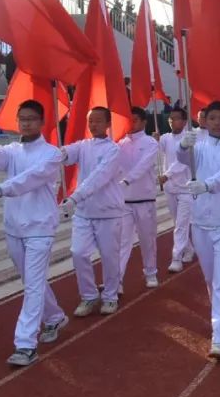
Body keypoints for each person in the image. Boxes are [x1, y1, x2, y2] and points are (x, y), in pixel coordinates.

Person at [0, 100, 69, 367]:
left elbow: (31, 178)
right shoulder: (13, 150)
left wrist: (1, 189)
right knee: (31, 281)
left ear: (42, 122)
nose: (26, 123)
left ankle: (25, 344)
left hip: (40, 227)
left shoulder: (52, 154)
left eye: (31, 119)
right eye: (22, 119)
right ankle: (55, 317)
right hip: (14, 227)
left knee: (33, 285)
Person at [177, 101, 220, 359]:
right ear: (205, 121)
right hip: (200, 223)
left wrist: (206, 185)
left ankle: (219, 337)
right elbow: (183, 159)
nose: (217, 123)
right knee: (210, 278)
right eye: (212, 118)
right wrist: (183, 146)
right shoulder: (199, 146)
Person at [61, 107, 126, 317]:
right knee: (78, 252)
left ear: (108, 124)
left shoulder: (113, 150)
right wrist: (55, 153)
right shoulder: (83, 146)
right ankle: (89, 295)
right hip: (84, 212)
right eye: (91, 121)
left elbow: (99, 177)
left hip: (108, 212)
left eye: (98, 121)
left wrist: (75, 197)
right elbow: (65, 154)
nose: (93, 125)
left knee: (109, 257)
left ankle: (110, 296)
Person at [118, 107, 160, 289]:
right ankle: (116, 279)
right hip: (124, 201)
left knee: (147, 240)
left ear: (144, 122)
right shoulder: (120, 143)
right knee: (122, 242)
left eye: (135, 120)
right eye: (129, 120)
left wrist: (127, 180)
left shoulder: (150, 143)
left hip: (144, 199)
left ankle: (151, 272)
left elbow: (144, 165)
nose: (131, 123)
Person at [160, 107, 194, 273]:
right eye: (170, 118)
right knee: (178, 223)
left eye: (176, 118)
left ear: (184, 121)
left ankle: (176, 258)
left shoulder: (189, 138)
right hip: (170, 188)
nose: (172, 121)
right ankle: (188, 249)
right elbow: (157, 151)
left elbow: (182, 162)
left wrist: (167, 174)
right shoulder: (165, 138)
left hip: (186, 188)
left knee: (181, 224)